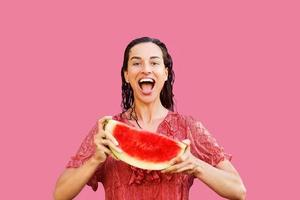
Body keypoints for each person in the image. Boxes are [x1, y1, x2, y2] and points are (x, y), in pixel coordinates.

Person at [54, 37, 246, 200]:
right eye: (136, 63)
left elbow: (238, 190)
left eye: (154, 63)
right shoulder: (107, 131)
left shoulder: (188, 127)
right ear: (127, 75)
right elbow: (59, 194)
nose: (146, 69)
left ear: (165, 74)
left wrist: (196, 165)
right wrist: (95, 160)